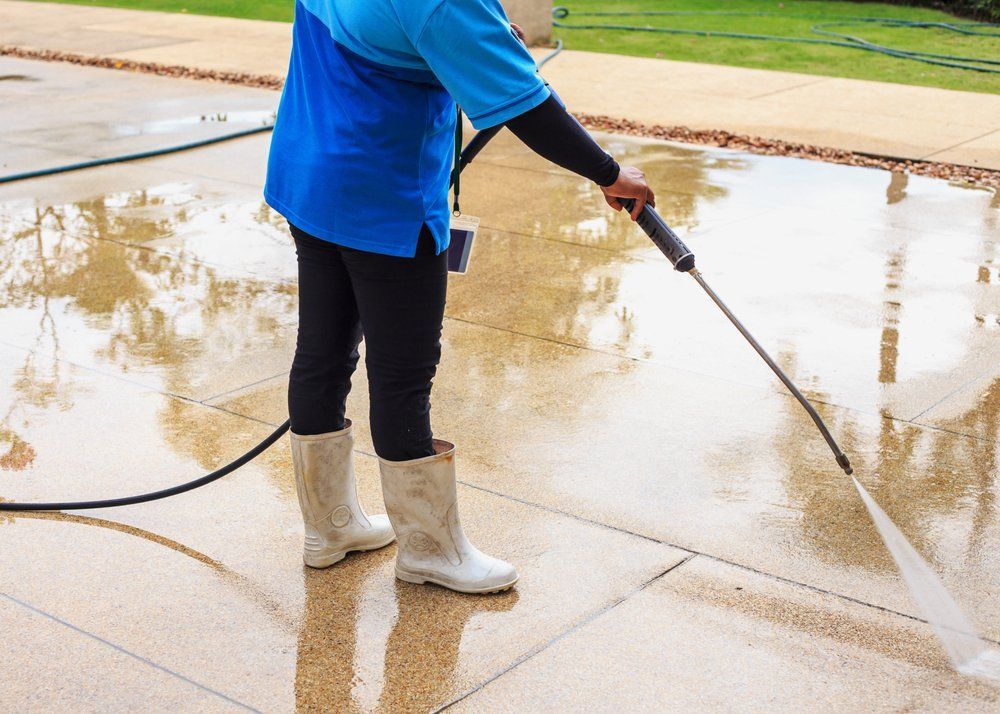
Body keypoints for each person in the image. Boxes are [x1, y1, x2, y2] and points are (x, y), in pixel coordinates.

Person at [264, 0, 654, 594]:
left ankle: (331, 529)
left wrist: (479, 36)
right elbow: (524, 101)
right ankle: (428, 551)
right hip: (384, 195)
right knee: (403, 372)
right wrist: (608, 173)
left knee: (323, 352)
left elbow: (388, 34)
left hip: (308, 172)